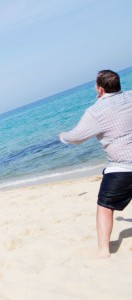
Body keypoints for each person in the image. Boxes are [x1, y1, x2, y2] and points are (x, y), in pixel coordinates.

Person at [59, 70, 132, 258]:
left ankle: (103, 251)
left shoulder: (96, 111)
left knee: (105, 206)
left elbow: (76, 137)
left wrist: (63, 136)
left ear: (99, 89)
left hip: (122, 168)